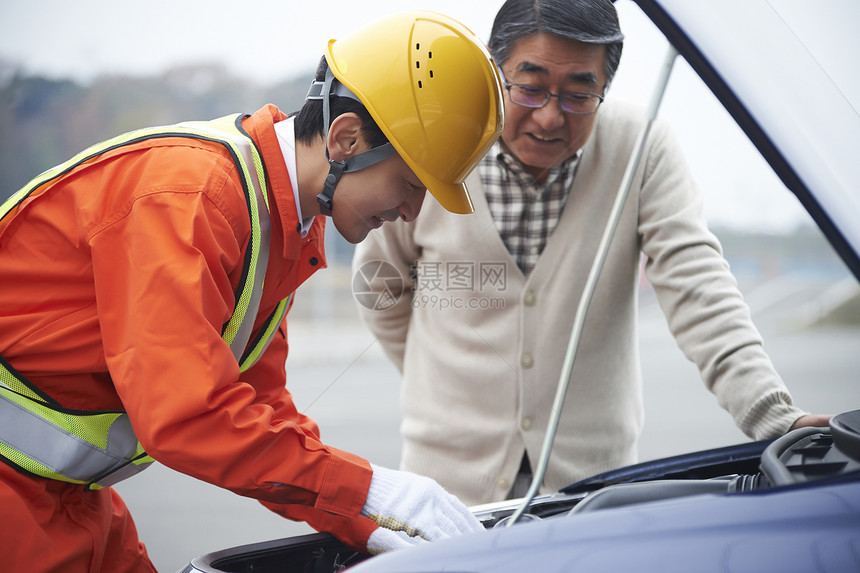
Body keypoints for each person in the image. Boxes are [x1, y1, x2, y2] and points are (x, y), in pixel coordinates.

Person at [0, 11, 504, 572]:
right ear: (345, 138)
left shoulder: (277, 220)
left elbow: (258, 407)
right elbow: (188, 414)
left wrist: (372, 521)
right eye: (411, 183)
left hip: (66, 497)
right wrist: (370, 491)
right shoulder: (193, 197)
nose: (413, 211)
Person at [352, 0, 831, 507]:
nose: (550, 116)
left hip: (594, 492)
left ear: (605, 89)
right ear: (493, 70)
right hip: (445, 488)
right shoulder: (438, 141)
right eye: (530, 87)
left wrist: (776, 420)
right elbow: (378, 288)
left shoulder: (641, 148)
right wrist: (439, 384)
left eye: (580, 93)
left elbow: (700, 290)